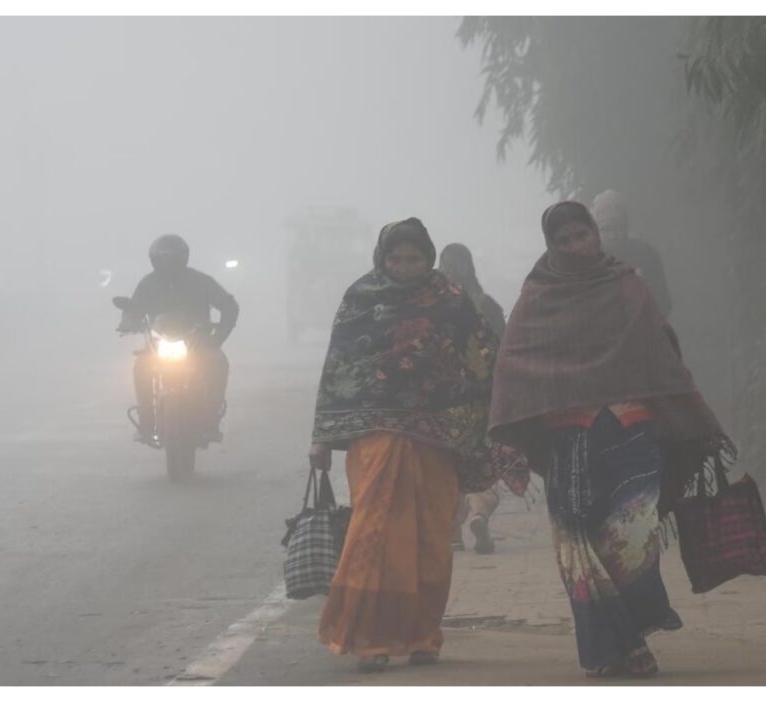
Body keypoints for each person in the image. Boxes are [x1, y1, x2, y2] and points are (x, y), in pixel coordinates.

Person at [489, 201, 733, 679]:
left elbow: (660, 353)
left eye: (583, 235)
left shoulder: (627, 284)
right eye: (565, 240)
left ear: (597, 235)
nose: (577, 246)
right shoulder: (538, 296)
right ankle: (619, 647)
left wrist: (691, 417)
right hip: (570, 440)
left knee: (632, 538)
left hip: (630, 430)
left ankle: (632, 635)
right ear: (551, 246)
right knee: (579, 546)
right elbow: (512, 365)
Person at [309, 218, 523, 673]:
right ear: (382, 259)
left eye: (414, 258)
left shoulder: (450, 300)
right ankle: (371, 639)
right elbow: (339, 368)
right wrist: (321, 436)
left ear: (429, 258)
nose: (405, 267)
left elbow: (483, 358)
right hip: (376, 440)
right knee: (375, 531)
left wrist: (500, 419)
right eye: (396, 258)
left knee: (430, 536)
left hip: (437, 439)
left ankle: (423, 635)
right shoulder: (360, 299)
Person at [118, 234, 238, 442]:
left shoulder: (201, 281)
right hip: (158, 343)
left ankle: (211, 419)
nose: (169, 264)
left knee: (218, 362)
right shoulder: (148, 283)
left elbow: (229, 305)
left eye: (173, 258)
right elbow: (134, 309)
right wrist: (128, 322)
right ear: (154, 260)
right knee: (141, 367)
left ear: (184, 258)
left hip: (197, 342)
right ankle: (147, 421)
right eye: (164, 259)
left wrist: (218, 337)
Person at [438, 243, 507, 554]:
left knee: (446, 468)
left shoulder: (428, 307)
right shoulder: (487, 305)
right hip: (481, 401)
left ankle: (452, 533)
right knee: (480, 466)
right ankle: (479, 514)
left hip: (443, 403)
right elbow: (504, 354)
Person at [591, 189, 673, 318]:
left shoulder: (646, 254)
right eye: (606, 229)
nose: (612, 235)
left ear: (625, 227)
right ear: (596, 231)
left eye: (617, 228)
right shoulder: (590, 259)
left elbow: (663, 301)